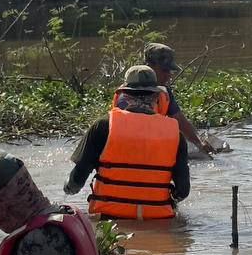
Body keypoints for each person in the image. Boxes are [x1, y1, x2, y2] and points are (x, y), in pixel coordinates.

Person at [65, 65, 190, 220]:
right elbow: (183, 191)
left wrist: (67, 188)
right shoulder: (175, 134)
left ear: (123, 96)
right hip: (158, 220)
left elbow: (77, 181)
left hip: (108, 220)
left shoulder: (103, 126)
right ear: (157, 97)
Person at [144, 42, 216, 156]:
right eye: (164, 70)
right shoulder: (128, 92)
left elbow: (180, 120)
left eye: (170, 71)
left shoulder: (164, 92)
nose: (169, 75)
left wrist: (199, 142)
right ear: (149, 67)